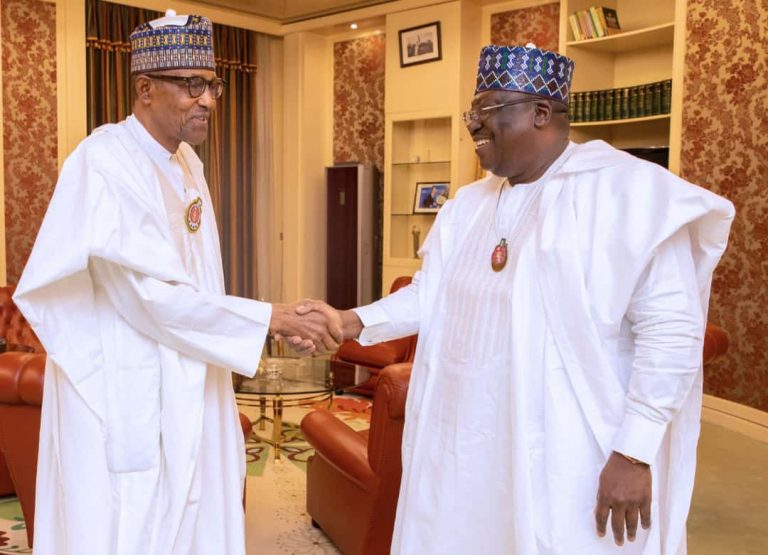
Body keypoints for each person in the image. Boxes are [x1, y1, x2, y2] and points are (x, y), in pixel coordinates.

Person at [297, 44, 734, 553]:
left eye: (486, 110)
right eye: (471, 113)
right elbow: (430, 294)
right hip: (465, 443)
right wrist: (348, 321)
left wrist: (635, 452)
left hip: (569, 451)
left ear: (541, 112)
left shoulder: (628, 194)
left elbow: (672, 333)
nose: (473, 125)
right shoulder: (466, 206)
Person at [13, 12, 338, 555]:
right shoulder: (104, 161)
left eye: (212, 85)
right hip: (126, 387)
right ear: (144, 89)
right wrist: (271, 318)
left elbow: (199, 282)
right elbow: (148, 297)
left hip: (188, 370)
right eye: (191, 85)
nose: (208, 100)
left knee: (198, 512)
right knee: (128, 526)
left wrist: (260, 323)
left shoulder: (188, 163)